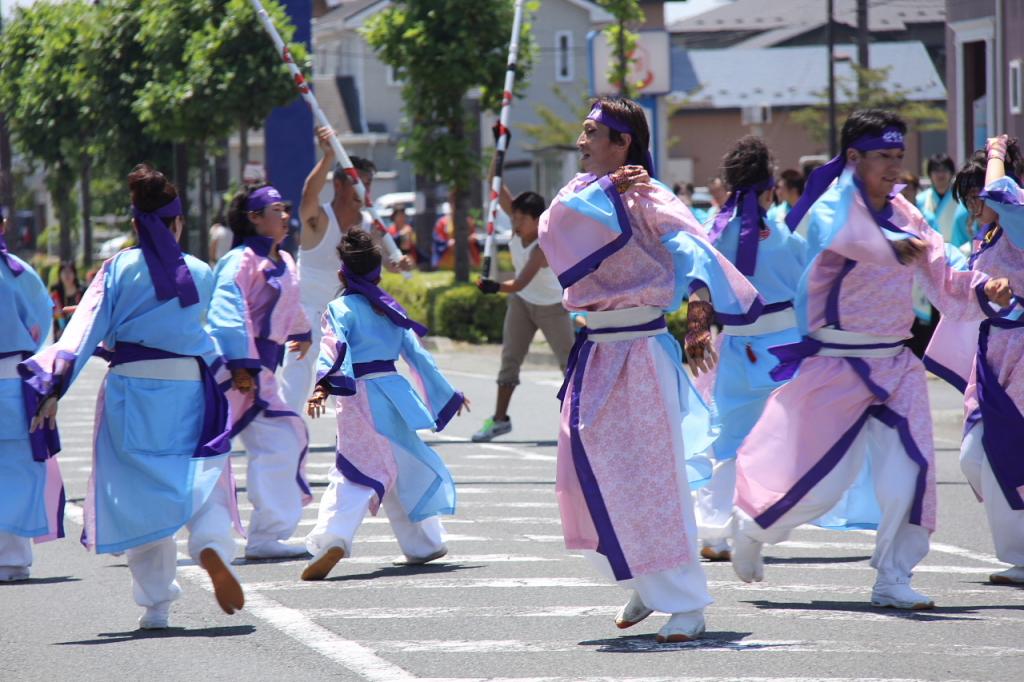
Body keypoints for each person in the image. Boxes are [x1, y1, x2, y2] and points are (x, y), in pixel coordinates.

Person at [730, 110, 1014, 610]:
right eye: (881, 156)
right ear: (854, 158)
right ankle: (752, 526)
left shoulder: (908, 215)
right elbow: (843, 236)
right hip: (837, 363)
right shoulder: (832, 207)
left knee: (910, 470)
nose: (893, 166)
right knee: (822, 480)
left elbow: (945, 283)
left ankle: (892, 576)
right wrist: (891, 246)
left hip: (894, 364)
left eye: (898, 156)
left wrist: (984, 287)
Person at [538, 97, 764, 643]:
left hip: (640, 350)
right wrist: (609, 190)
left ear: (624, 144)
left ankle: (687, 602)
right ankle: (643, 577)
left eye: (593, 132)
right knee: (594, 471)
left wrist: (699, 315)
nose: (581, 141)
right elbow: (554, 228)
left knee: (654, 479)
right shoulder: (586, 193)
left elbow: (693, 246)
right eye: (584, 130)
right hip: (597, 351)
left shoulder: (647, 195)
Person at [20, 165, 241, 628]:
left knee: (139, 491)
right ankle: (210, 546)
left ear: (136, 222)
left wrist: (52, 387)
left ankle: (157, 604)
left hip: (132, 390)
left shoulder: (117, 269)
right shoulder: (201, 271)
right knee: (200, 474)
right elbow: (217, 332)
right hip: (189, 387)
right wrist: (240, 374)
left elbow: (85, 332)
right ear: (178, 222)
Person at [302, 230, 468, 580]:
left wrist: (323, 387)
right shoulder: (390, 309)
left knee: (354, 468)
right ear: (378, 273)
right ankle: (424, 543)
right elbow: (419, 356)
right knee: (402, 467)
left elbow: (335, 350)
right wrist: (449, 394)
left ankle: (335, 537)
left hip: (360, 396)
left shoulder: (339, 308)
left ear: (341, 274)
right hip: (395, 393)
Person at [696, 137, 806, 560]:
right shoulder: (785, 233)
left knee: (727, 438)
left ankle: (715, 531)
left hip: (737, 344)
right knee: (784, 439)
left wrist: (696, 334)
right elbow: (811, 289)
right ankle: (759, 520)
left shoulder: (715, 232)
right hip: (785, 345)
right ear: (769, 188)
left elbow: (698, 284)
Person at [925, 134, 1024, 585]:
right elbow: (960, 282)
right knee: (973, 455)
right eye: (967, 199)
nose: (973, 207)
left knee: (1004, 452)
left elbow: (1003, 194)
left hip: (1021, 351)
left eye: (976, 197)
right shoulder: (988, 233)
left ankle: (1021, 557)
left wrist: (999, 155)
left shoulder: (1019, 219)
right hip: (991, 353)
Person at [207, 184, 313, 560]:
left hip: (261, 371)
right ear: (253, 218)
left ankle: (266, 535)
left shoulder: (285, 258)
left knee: (280, 442)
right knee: (199, 451)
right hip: (235, 373)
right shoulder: (239, 261)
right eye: (275, 209)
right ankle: (150, 530)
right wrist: (240, 364)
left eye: (285, 209)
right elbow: (226, 312)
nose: (285, 215)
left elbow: (290, 301)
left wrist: (302, 331)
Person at [279, 126, 406, 417]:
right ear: (338, 185)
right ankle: (286, 433)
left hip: (346, 317)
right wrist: (327, 157)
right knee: (295, 380)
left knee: (355, 385)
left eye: (369, 183)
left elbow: (382, 261)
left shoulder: (368, 225)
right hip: (307, 314)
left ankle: (355, 442)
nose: (365, 189)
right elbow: (307, 195)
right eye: (359, 182)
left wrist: (397, 263)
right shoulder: (319, 218)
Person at [474, 180, 573, 442]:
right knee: (510, 360)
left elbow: (520, 281)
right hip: (521, 303)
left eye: (521, 218)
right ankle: (499, 421)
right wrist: (500, 144)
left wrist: (493, 286)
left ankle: (578, 423)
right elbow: (497, 186)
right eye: (513, 217)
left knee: (569, 364)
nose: (515, 222)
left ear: (536, 219)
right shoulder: (519, 230)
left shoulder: (543, 245)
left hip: (552, 306)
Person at [0, 207, 56, 582]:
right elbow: (42, 325)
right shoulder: (18, 272)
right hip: (13, 378)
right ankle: (12, 558)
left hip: (14, 375)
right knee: (18, 468)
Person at [916, 153, 972, 249]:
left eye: (944, 170)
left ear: (951, 173)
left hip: (958, 252)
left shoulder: (963, 199)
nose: (940, 174)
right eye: (936, 170)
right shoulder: (920, 199)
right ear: (929, 174)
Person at [50, 260, 82, 342]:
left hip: (79, 334)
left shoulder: (82, 291)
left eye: (70, 272)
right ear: (59, 274)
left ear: (75, 274)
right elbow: (53, 313)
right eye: (64, 272)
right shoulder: (55, 292)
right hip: (60, 334)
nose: (67, 275)